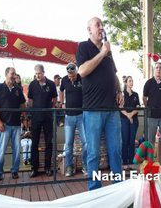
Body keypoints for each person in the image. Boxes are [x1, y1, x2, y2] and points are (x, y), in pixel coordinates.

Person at [76, 17, 123, 191]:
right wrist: (102, 53)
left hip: (112, 109)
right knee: (94, 153)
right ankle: (94, 190)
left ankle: (118, 187)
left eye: (102, 25)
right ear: (89, 29)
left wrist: (119, 91)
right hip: (93, 110)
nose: (102, 28)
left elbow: (114, 73)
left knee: (116, 151)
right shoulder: (84, 47)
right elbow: (82, 71)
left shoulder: (108, 50)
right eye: (98, 25)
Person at [0, 67, 27, 181]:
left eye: (15, 74)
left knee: (17, 149)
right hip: (4, 125)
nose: (14, 76)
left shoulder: (18, 89)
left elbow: (23, 105)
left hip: (16, 124)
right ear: (6, 74)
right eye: (12, 74)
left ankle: (15, 170)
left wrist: (25, 119)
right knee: (1, 149)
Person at [28, 64, 58, 178]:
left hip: (47, 118)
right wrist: (36, 109)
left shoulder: (51, 84)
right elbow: (30, 100)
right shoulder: (32, 84)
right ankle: (34, 168)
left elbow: (55, 100)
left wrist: (47, 108)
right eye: (36, 74)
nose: (37, 76)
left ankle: (47, 167)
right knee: (34, 143)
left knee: (48, 143)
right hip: (36, 118)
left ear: (43, 73)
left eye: (39, 73)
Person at [59, 62, 87, 177]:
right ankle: (69, 166)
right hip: (69, 116)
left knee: (86, 142)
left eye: (73, 76)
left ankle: (85, 165)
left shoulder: (82, 78)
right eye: (69, 76)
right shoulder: (64, 80)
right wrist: (62, 103)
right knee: (69, 143)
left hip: (81, 115)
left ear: (76, 72)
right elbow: (61, 90)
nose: (71, 78)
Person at [143, 62, 161, 169]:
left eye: (160, 68)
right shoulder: (149, 83)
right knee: (151, 139)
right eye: (157, 68)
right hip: (152, 115)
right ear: (154, 70)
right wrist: (149, 107)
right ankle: (151, 161)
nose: (158, 69)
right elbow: (144, 98)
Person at [120, 76, 140, 171]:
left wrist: (131, 115)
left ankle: (131, 162)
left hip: (134, 120)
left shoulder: (135, 94)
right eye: (130, 81)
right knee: (125, 141)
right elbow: (120, 107)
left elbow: (137, 107)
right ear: (126, 83)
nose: (131, 82)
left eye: (132, 81)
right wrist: (128, 116)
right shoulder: (122, 94)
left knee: (132, 141)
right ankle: (124, 163)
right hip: (124, 119)